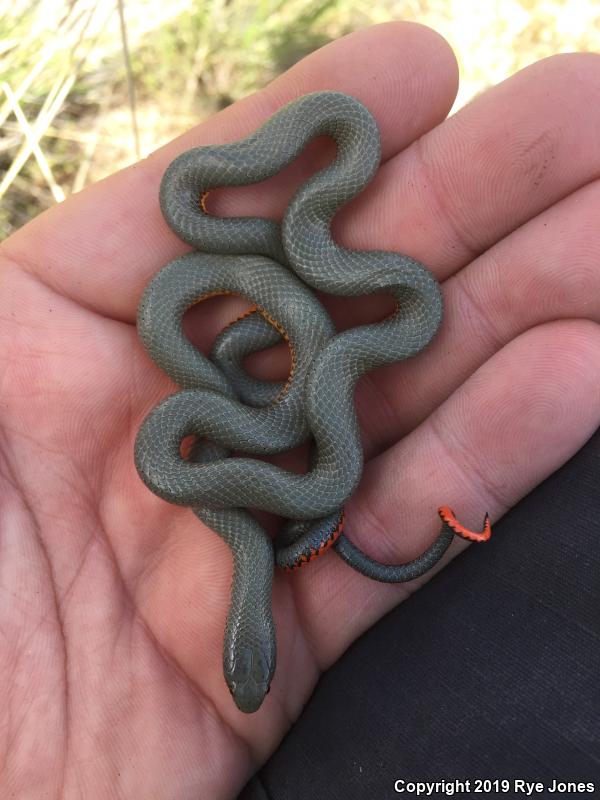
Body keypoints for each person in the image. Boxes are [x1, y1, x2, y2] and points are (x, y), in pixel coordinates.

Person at [0, 21, 598, 799]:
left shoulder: (228, 432)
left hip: (289, 354)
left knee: (311, 350)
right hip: (277, 374)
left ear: (246, 640)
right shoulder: (234, 454)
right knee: (302, 372)